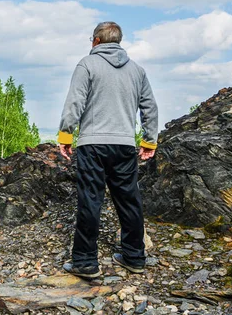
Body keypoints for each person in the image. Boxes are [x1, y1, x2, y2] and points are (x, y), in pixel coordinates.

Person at [58, 21, 158, 278]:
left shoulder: (87, 65)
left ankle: (85, 262)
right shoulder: (137, 70)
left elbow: (75, 102)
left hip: (93, 144)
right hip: (124, 145)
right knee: (129, 201)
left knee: (91, 201)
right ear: (119, 42)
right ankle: (134, 257)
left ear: (96, 41)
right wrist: (149, 141)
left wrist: (66, 135)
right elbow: (150, 107)